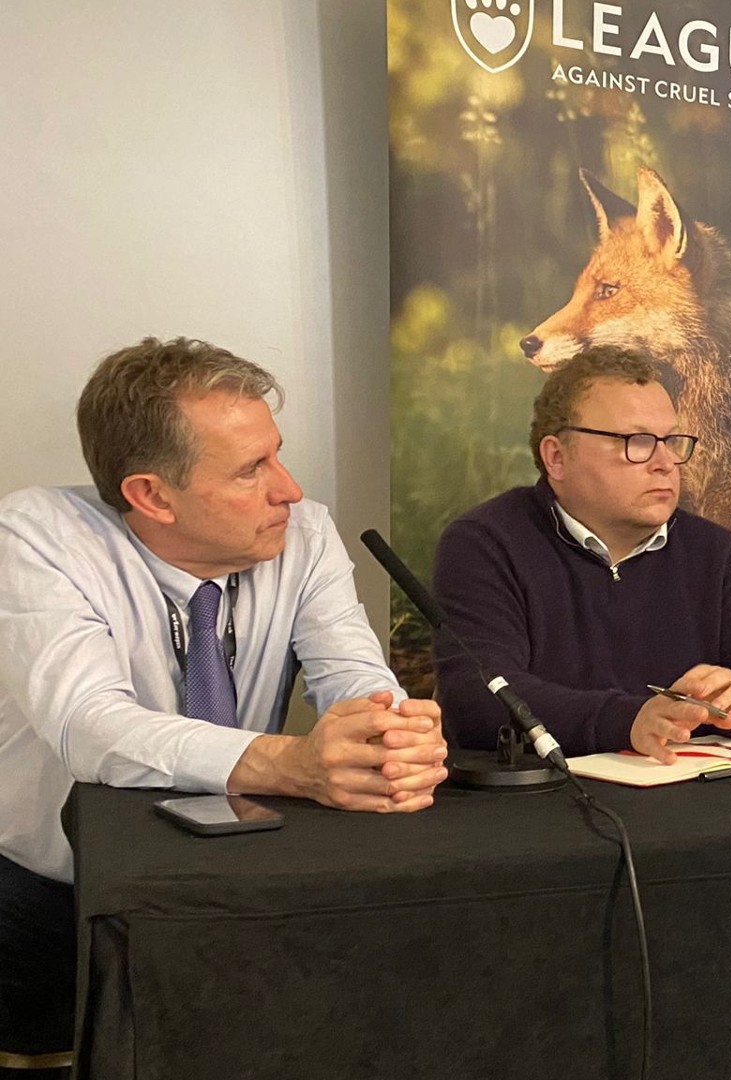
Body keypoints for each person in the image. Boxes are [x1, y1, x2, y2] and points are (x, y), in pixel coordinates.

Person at [0, 338, 447, 1064]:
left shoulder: (303, 534)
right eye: (251, 471)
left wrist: (388, 736)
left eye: (276, 454)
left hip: (225, 879)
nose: (290, 489)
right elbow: (91, 726)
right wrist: (293, 763)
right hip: (45, 897)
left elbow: (352, 676)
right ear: (151, 495)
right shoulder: (38, 537)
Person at [432, 345, 731, 763]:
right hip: (545, 808)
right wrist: (628, 720)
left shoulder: (714, 551)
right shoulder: (487, 543)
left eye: (672, 441)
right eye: (638, 442)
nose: (666, 463)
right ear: (556, 457)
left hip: (693, 799)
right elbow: (479, 697)